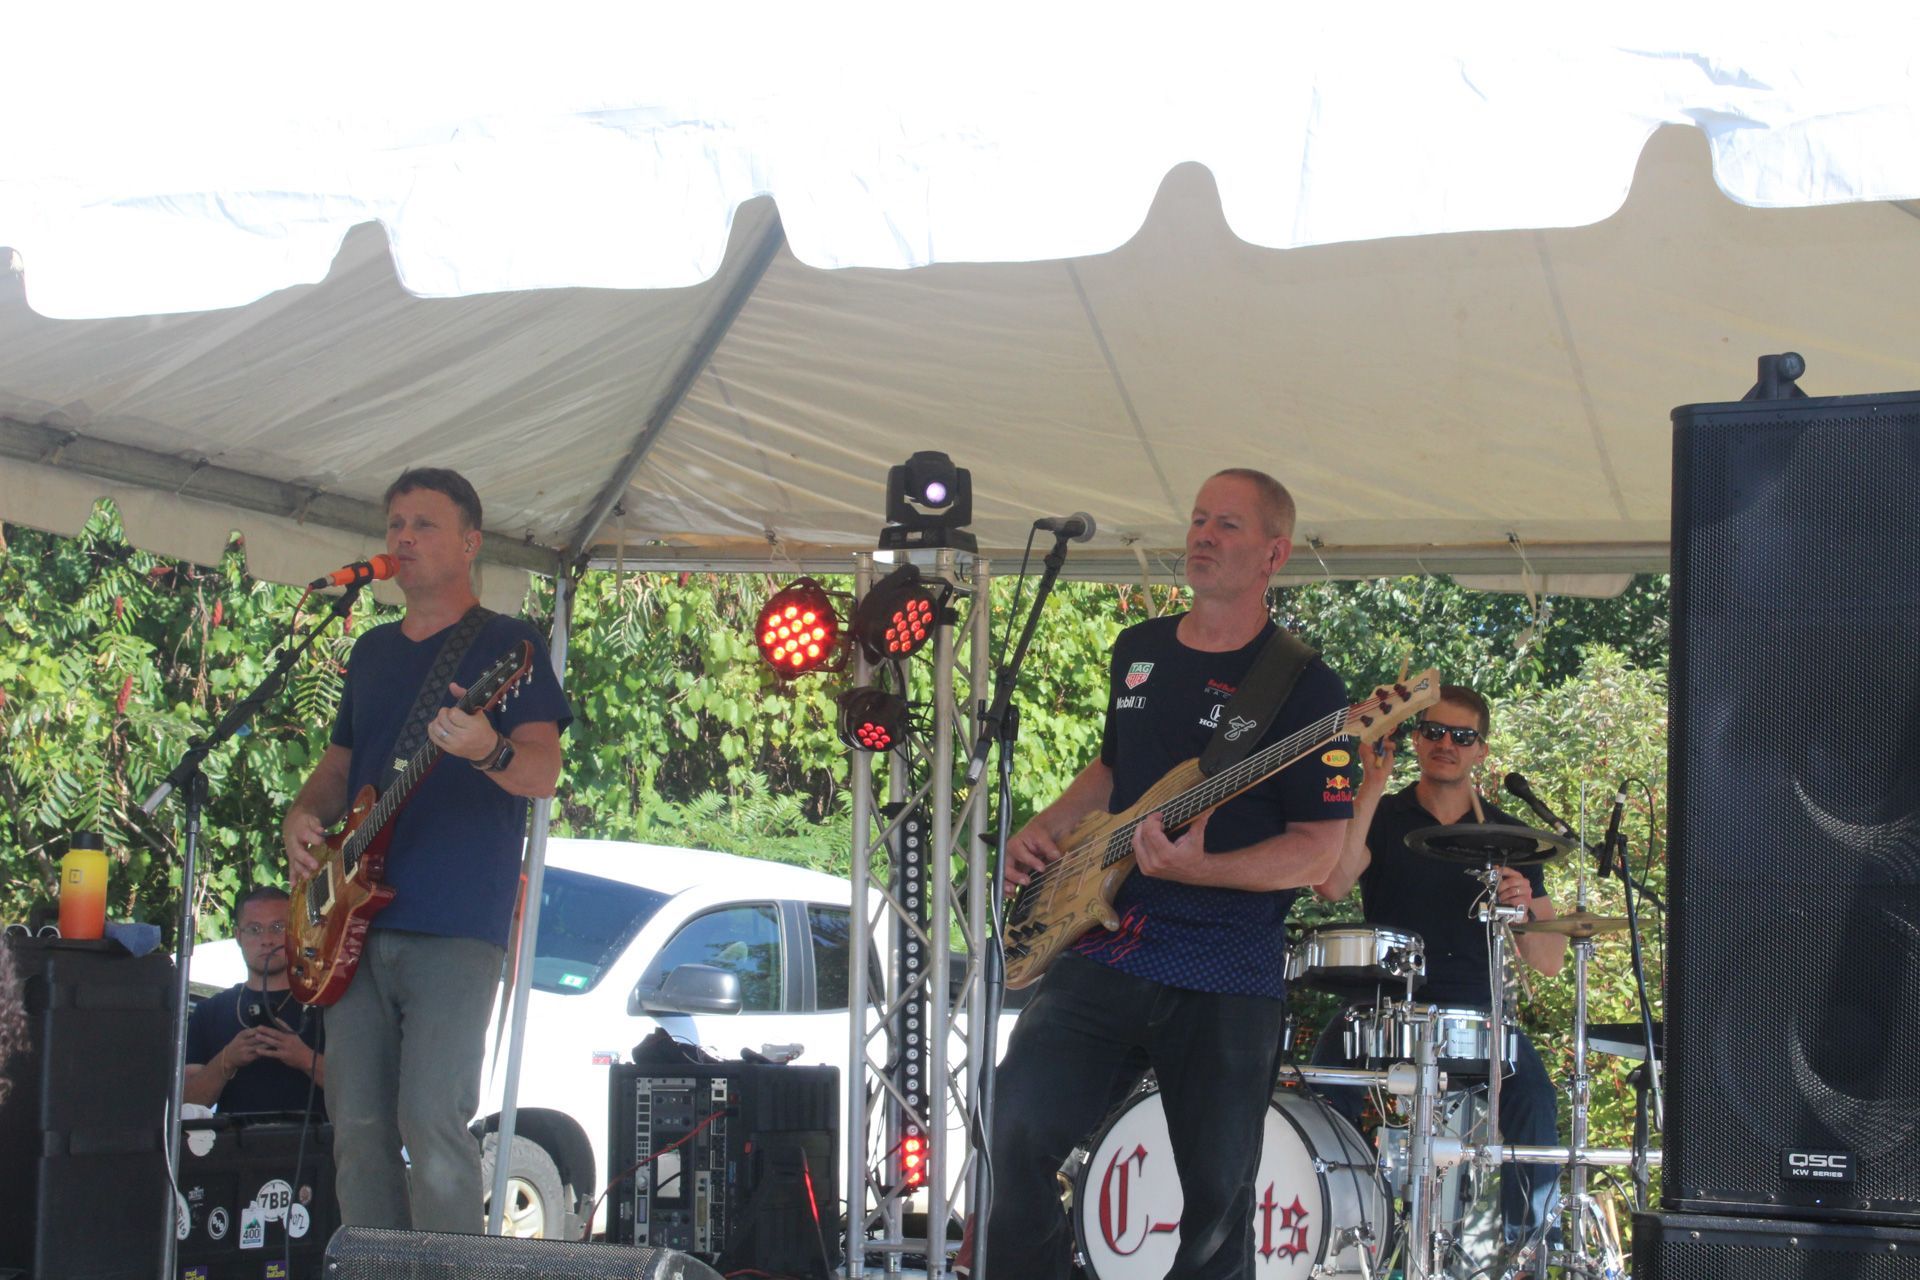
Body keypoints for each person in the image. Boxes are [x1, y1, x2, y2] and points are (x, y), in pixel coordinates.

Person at [983, 468, 1353, 1280]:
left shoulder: (1309, 687)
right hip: (1107, 942)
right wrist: (1046, 828)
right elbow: (1113, 771)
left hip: (1224, 969)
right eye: (1197, 520)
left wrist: (1207, 868)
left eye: (1227, 524)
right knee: (1008, 1131)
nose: (1202, 536)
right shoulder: (1139, 651)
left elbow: (1319, 851)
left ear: (1273, 554)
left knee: (1217, 1210)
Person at [283, 467, 570, 1233]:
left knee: (432, 1124)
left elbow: (542, 769)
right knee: (359, 1131)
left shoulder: (509, 644)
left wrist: (486, 749)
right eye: (395, 525)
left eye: (423, 525)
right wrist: (302, 819)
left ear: (470, 543)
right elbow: (338, 770)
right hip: (351, 922)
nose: (402, 538)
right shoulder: (372, 650)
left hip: (452, 922)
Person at [1311, 685, 1567, 1248]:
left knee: (1535, 1097)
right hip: (1382, 1006)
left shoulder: (1510, 837)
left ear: (1482, 750)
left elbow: (1548, 963)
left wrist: (1524, 904)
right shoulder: (1382, 813)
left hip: (1477, 1014)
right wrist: (1372, 785)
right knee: (1325, 1085)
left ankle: (1526, 1249)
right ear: (1416, 739)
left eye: (1462, 736)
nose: (1445, 744)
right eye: (1433, 731)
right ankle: (1338, 1231)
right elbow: (1330, 885)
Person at [184, 887, 326, 1114]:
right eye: (255, 929)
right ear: (238, 936)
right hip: (234, 1146)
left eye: (278, 928)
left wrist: (303, 1057)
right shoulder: (210, 1011)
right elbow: (187, 1105)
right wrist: (227, 1060)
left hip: (316, 1145)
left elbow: (362, 1090)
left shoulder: (326, 1004)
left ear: (296, 931)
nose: (267, 940)